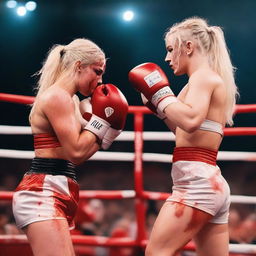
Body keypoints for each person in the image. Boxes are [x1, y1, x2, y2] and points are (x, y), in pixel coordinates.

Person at [129, 17, 239, 256]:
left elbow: (189, 121)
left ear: (188, 47)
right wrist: (158, 106)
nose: (167, 58)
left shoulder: (203, 77)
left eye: (170, 49)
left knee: (156, 252)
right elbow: (184, 130)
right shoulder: (199, 82)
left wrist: (161, 96)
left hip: (197, 184)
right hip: (209, 182)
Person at [12, 38, 128, 256]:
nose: (100, 79)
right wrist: (102, 122)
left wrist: (109, 132)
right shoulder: (58, 97)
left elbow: (86, 149)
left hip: (59, 187)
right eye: (97, 71)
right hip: (42, 190)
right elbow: (76, 152)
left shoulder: (72, 100)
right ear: (78, 66)